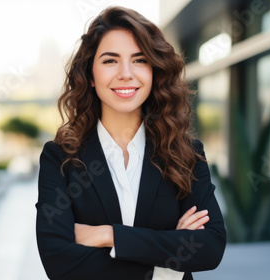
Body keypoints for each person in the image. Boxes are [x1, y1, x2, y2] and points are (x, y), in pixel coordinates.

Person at [36, 6, 226, 280]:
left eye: (139, 60)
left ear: (154, 71)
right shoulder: (60, 158)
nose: (126, 73)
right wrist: (165, 267)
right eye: (110, 61)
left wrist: (108, 235)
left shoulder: (185, 153)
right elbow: (59, 263)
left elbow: (210, 248)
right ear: (90, 75)